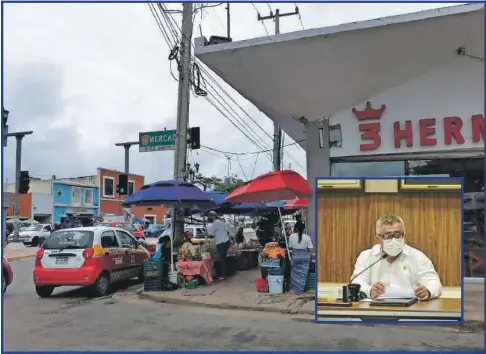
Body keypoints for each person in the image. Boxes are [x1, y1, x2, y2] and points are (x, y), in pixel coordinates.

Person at [350, 214, 442, 301]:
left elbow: (434, 283)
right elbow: (356, 283)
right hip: (376, 309)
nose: (393, 240)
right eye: (388, 236)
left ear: (404, 236)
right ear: (378, 239)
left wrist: (428, 291)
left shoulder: (417, 257)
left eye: (398, 235)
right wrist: (370, 290)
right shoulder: (366, 256)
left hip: (409, 310)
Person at [289, 222, 313, 294]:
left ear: (295, 228)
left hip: (295, 257)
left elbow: (290, 247)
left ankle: (295, 290)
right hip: (305, 257)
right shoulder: (307, 237)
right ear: (303, 229)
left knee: (295, 274)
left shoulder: (291, 236)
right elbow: (311, 249)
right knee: (303, 274)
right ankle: (300, 290)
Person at [206, 211, 230, 280]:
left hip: (221, 243)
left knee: (221, 259)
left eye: (209, 216)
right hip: (225, 242)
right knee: (223, 259)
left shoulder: (216, 223)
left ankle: (223, 275)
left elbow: (210, 233)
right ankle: (224, 274)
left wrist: (207, 225)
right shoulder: (220, 221)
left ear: (213, 216)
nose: (209, 218)